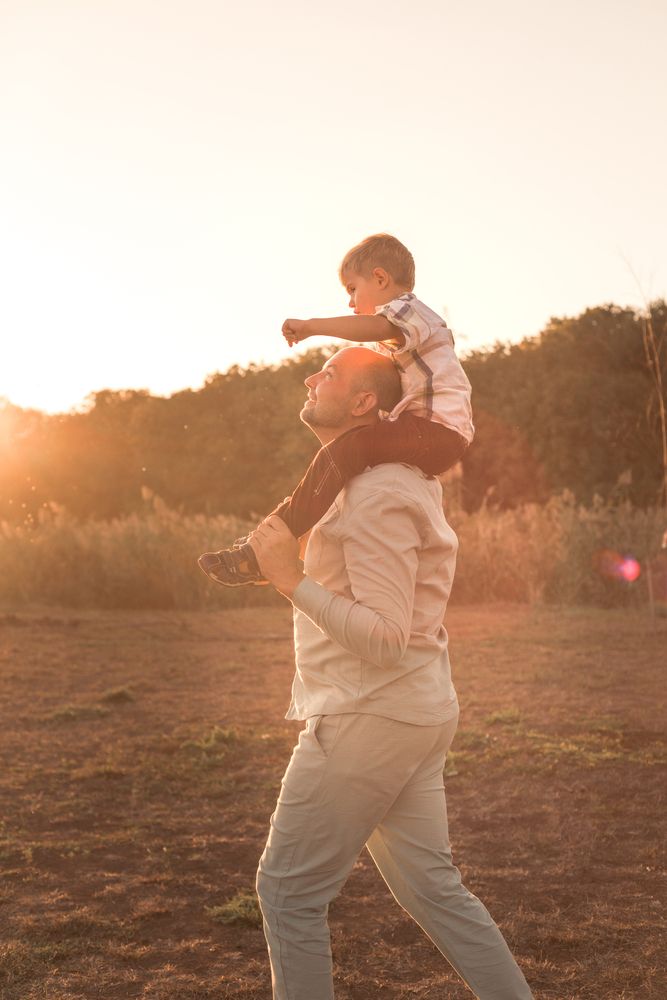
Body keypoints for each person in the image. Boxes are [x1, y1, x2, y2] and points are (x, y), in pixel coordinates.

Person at [247, 345, 534, 1000]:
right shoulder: (373, 481)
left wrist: (289, 579)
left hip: (368, 713)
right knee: (434, 891)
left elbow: (384, 637)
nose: (310, 376)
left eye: (328, 372)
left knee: (287, 892)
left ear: (363, 402)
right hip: (407, 710)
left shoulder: (376, 492)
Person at [198, 233, 474, 587]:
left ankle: (268, 547)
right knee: (336, 465)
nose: (350, 302)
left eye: (353, 289)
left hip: (438, 432)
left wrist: (312, 327)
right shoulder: (400, 338)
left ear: (380, 278)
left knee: (344, 451)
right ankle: (267, 543)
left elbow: (375, 326)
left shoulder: (409, 311)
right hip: (425, 432)